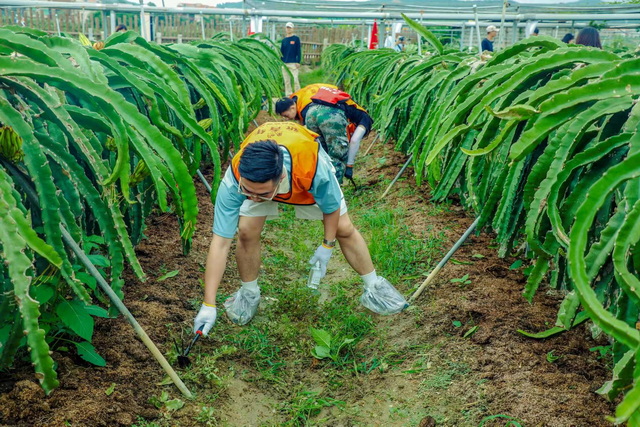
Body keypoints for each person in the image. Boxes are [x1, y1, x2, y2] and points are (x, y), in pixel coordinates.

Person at [192, 122, 407, 335]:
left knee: (343, 228)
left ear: (281, 178)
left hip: (303, 174)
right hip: (263, 178)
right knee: (246, 231)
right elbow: (220, 243)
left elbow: (331, 208)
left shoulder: (312, 168)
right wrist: (208, 304)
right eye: (248, 192)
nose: (254, 199)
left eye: (262, 194)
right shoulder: (235, 178)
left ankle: (374, 287)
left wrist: (327, 245)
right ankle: (249, 293)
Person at [275, 84, 373, 183]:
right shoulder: (362, 116)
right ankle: (335, 184)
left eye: (286, 116)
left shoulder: (298, 97)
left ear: (292, 107)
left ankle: (318, 181)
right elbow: (354, 141)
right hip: (328, 113)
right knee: (337, 153)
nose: (287, 119)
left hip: (313, 112)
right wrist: (349, 166)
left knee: (321, 151)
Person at [280, 22, 301, 96]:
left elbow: (298, 50)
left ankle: (298, 94)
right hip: (284, 63)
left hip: (293, 63)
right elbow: (281, 52)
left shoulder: (296, 39)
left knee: (295, 80)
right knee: (287, 81)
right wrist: (281, 61)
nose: (288, 29)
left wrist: (298, 61)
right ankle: (288, 95)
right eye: (287, 28)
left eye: (290, 28)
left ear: (293, 29)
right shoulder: (284, 40)